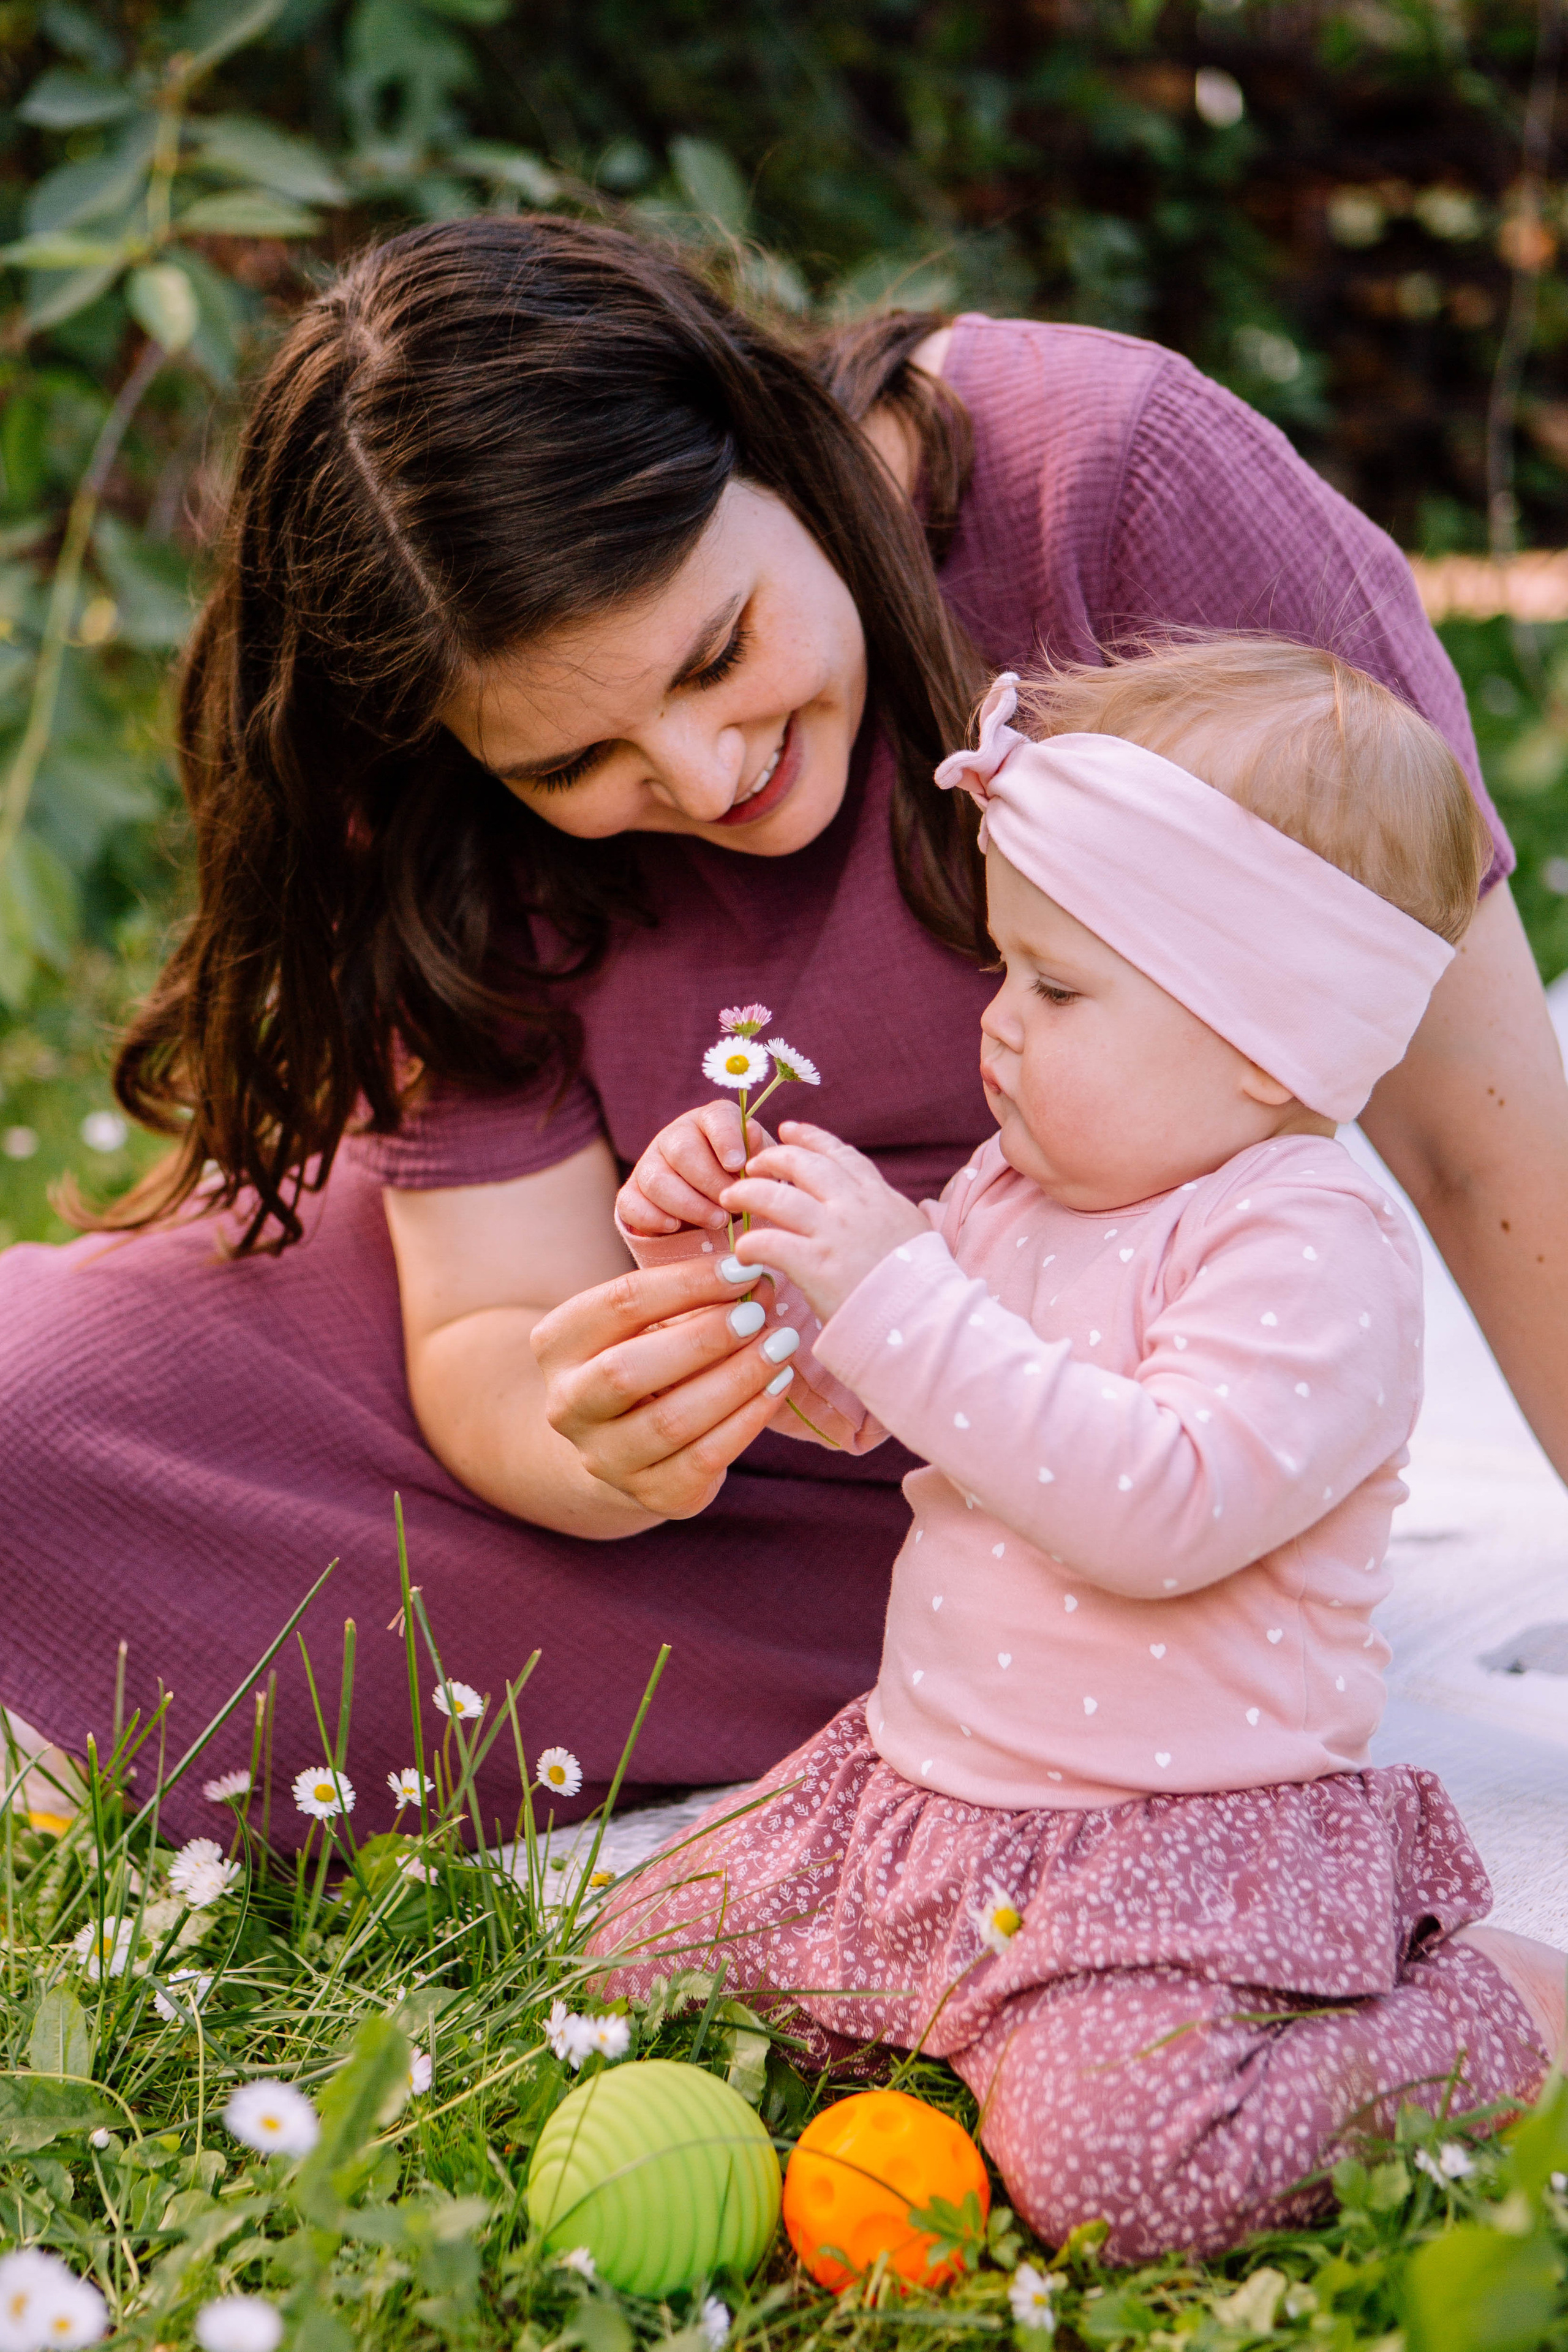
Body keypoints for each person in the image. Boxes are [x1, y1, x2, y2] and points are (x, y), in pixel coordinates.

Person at [2, 214, 1566, 1851]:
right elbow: (496, 1311)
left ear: (767, 430)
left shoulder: (1100, 486)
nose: (695, 778)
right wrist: (592, 1442)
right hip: (689, 1416)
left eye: (720, 653)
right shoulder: (444, 812)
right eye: (571, 767)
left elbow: (1477, 1142)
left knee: (1059, 1575)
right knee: (26, 1412)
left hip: (1031, 1415)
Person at [587, 639, 1564, 2263]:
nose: (1000, 1029)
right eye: (1004, 972)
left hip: (1169, 1848)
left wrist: (891, 1277)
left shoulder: (1306, 1246)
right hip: (928, 1797)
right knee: (627, 1956)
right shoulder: (1020, 1189)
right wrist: (738, 1266)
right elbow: (886, 1401)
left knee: (1113, 2164)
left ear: (1267, 1041)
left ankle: (1501, 2016)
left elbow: (1155, 1508)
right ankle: (946, 1998)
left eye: (1058, 988)